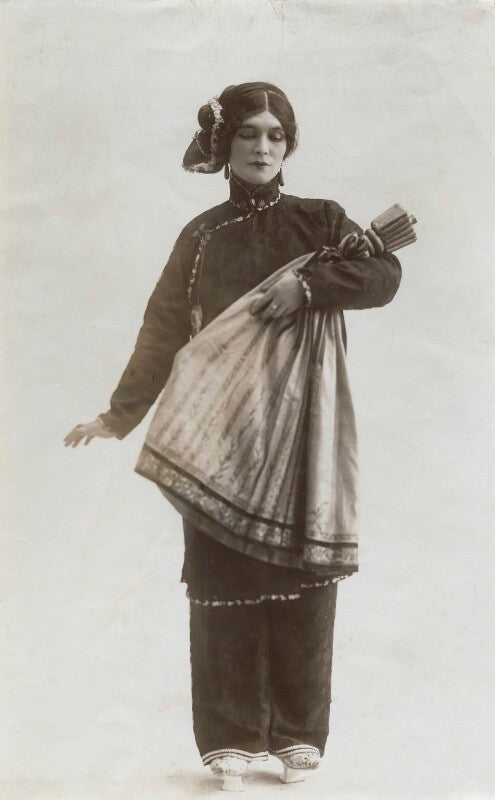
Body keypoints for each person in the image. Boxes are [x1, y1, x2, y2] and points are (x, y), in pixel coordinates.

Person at [64, 82, 402, 789]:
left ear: (289, 145)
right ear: (224, 145)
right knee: (222, 573)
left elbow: (382, 273)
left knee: (301, 571)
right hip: (217, 429)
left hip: (301, 424)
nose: (262, 147)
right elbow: (163, 329)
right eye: (248, 133)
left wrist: (308, 287)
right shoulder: (201, 237)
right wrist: (119, 415)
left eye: (276, 135)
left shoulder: (319, 222)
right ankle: (230, 736)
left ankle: (298, 733)